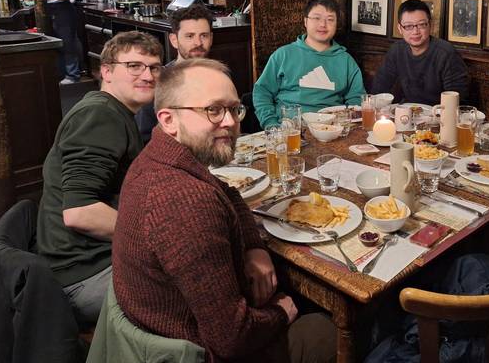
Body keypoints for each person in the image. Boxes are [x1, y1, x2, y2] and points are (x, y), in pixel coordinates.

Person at [113, 58, 336, 361]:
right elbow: (232, 339)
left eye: (233, 109)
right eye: (213, 110)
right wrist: (282, 313)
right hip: (199, 350)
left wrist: (254, 247)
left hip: (172, 322)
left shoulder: (159, 156)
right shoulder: (185, 202)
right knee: (327, 328)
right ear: (168, 119)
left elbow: (227, 190)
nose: (230, 122)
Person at [37, 31, 163, 326]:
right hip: (84, 274)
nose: (147, 75)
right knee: (201, 285)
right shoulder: (100, 115)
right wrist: (157, 238)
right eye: (134, 66)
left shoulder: (113, 111)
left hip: (89, 262)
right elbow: (80, 213)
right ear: (106, 71)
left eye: (154, 67)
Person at [252, 0, 365, 128]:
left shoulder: (346, 60)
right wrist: (270, 123)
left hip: (332, 128)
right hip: (289, 128)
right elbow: (262, 92)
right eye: (317, 18)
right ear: (305, 21)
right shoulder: (283, 55)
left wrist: (347, 123)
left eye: (330, 19)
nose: (323, 24)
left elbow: (356, 99)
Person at [135, 3, 214, 142]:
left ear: (211, 38)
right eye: (189, 36)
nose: (198, 43)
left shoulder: (219, 77)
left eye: (204, 36)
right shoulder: (158, 82)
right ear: (174, 40)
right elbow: (145, 138)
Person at [372, 0, 469, 105]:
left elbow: (456, 101)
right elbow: (379, 89)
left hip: (439, 113)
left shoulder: (446, 54)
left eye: (422, 25)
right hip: (407, 111)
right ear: (400, 28)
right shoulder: (397, 50)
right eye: (408, 26)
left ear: (430, 25)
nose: (415, 31)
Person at [24, 0, 85, 84]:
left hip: (62, 9)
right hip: (46, 11)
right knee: (52, 42)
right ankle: (59, 74)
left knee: (67, 43)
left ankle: (72, 75)